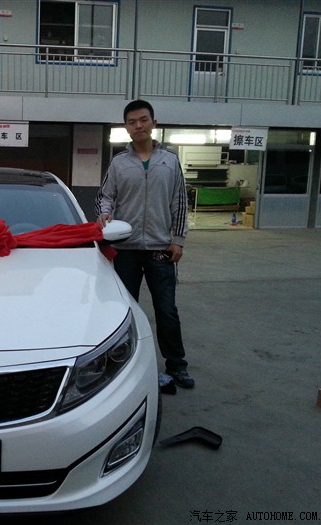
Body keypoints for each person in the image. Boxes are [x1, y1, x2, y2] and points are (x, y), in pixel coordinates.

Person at [95, 99, 194, 389]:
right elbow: (105, 196)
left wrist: (178, 240)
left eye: (143, 120)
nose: (138, 126)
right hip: (125, 249)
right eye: (132, 122)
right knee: (126, 309)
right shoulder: (119, 163)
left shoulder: (170, 161)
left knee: (167, 310)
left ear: (153, 123)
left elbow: (179, 202)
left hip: (160, 249)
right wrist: (104, 213)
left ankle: (177, 366)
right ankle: (125, 364)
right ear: (126, 128)